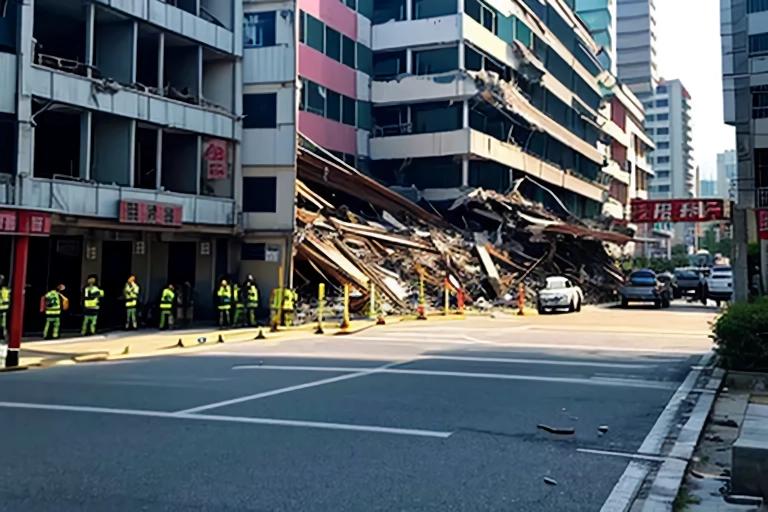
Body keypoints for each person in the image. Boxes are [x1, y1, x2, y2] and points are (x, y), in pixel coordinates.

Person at [0, 275, 9, 340]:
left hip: (4, 310)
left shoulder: (6, 290)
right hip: (3, 309)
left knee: (3, 324)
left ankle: (3, 336)